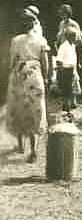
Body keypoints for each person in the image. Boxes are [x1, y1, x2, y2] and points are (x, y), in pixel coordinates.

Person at [6, 12, 49, 162]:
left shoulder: (16, 40)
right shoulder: (41, 40)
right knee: (35, 108)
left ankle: (20, 145)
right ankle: (34, 150)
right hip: (35, 75)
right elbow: (45, 62)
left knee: (17, 107)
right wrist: (47, 78)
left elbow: (12, 61)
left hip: (19, 73)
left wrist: (11, 74)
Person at [55, 4, 82, 96]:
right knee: (63, 72)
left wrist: (73, 43)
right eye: (61, 13)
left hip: (71, 50)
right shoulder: (61, 24)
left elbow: (80, 38)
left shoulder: (73, 24)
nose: (62, 15)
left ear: (68, 13)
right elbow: (59, 37)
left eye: (63, 13)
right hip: (62, 49)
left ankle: (73, 97)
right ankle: (64, 94)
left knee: (73, 74)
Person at [54, 28, 79, 113]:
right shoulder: (63, 46)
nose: (75, 38)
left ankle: (72, 103)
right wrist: (61, 71)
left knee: (72, 86)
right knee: (66, 88)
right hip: (65, 69)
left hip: (72, 68)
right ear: (68, 36)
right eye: (73, 36)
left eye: (75, 36)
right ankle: (65, 105)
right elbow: (59, 60)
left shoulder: (73, 46)